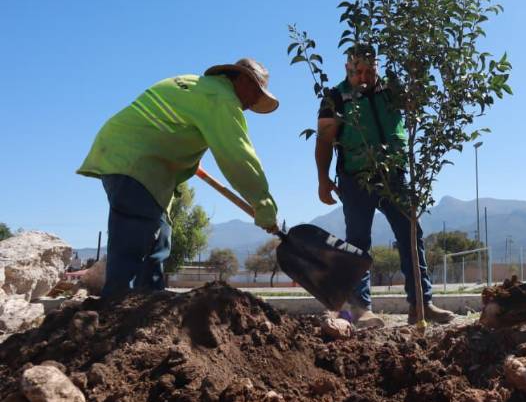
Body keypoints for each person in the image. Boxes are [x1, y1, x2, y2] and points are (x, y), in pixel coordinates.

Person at [78, 58, 280, 297]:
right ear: (243, 80)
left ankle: (147, 308)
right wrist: (263, 203)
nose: (253, 103)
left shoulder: (197, 85)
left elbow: (170, 124)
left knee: (158, 239)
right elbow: (237, 156)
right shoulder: (221, 98)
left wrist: (186, 157)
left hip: (126, 157)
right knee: (135, 245)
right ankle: (117, 314)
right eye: (256, 93)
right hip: (138, 163)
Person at [315, 45, 455, 327]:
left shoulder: (391, 90)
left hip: (395, 176)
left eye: (370, 71)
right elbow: (324, 141)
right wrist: (323, 179)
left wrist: (417, 72)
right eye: (358, 72)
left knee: (411, 234)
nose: (364, 77)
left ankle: (421, 304)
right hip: (355, 178)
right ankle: (360, 309)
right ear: (347, 69)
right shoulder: (335, 97)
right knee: (358, 244)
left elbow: (415, 104)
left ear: (377, 68)